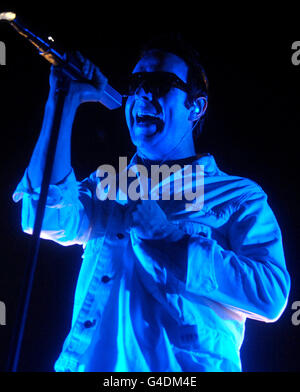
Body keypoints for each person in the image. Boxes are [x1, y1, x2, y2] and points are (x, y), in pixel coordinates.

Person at [13, 34, 291, 372]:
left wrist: (170, 239)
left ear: (196, 106)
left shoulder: (237, 196)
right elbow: (43, 217)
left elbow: (271, 295)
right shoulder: (108, 185)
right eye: (137, 82)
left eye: (160, 83)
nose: (143, 93)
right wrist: (63, 101)